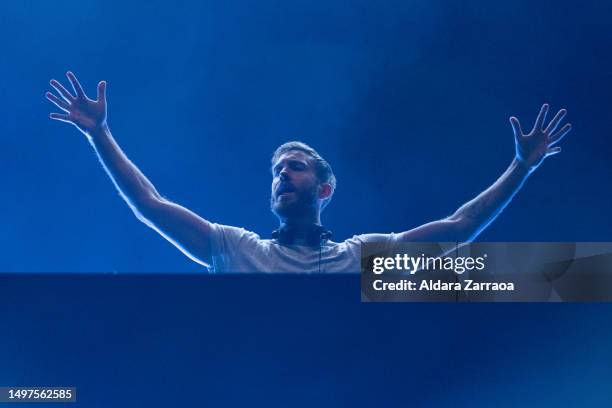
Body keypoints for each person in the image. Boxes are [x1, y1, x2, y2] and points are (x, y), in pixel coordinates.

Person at [45, 72, 572, 273]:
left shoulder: (366, 259)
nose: (282, 176)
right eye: (276, 170)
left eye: (294, 168)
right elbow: (151, 207)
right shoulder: (238, 251)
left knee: (559, 276)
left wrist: (521, 167)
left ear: (323, 188)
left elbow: (458, 229)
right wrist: (100, 134)